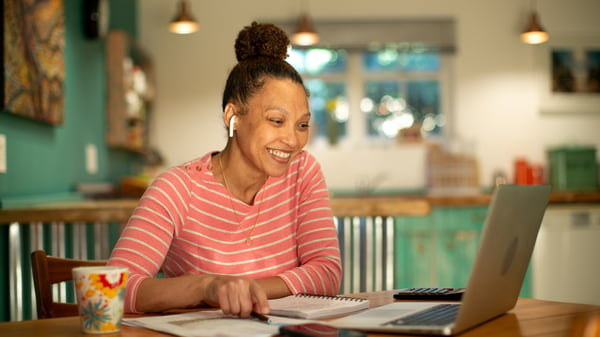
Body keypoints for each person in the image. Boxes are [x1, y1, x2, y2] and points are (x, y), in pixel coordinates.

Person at [107, 22, 342, 318]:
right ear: (234, 117)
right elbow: (114, 289)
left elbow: (327, 272)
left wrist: (245, 289)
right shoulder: (177, 188)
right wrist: (207, 287)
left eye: (302, 124)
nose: (293, 140)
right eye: (276, 120)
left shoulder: (303, 171)